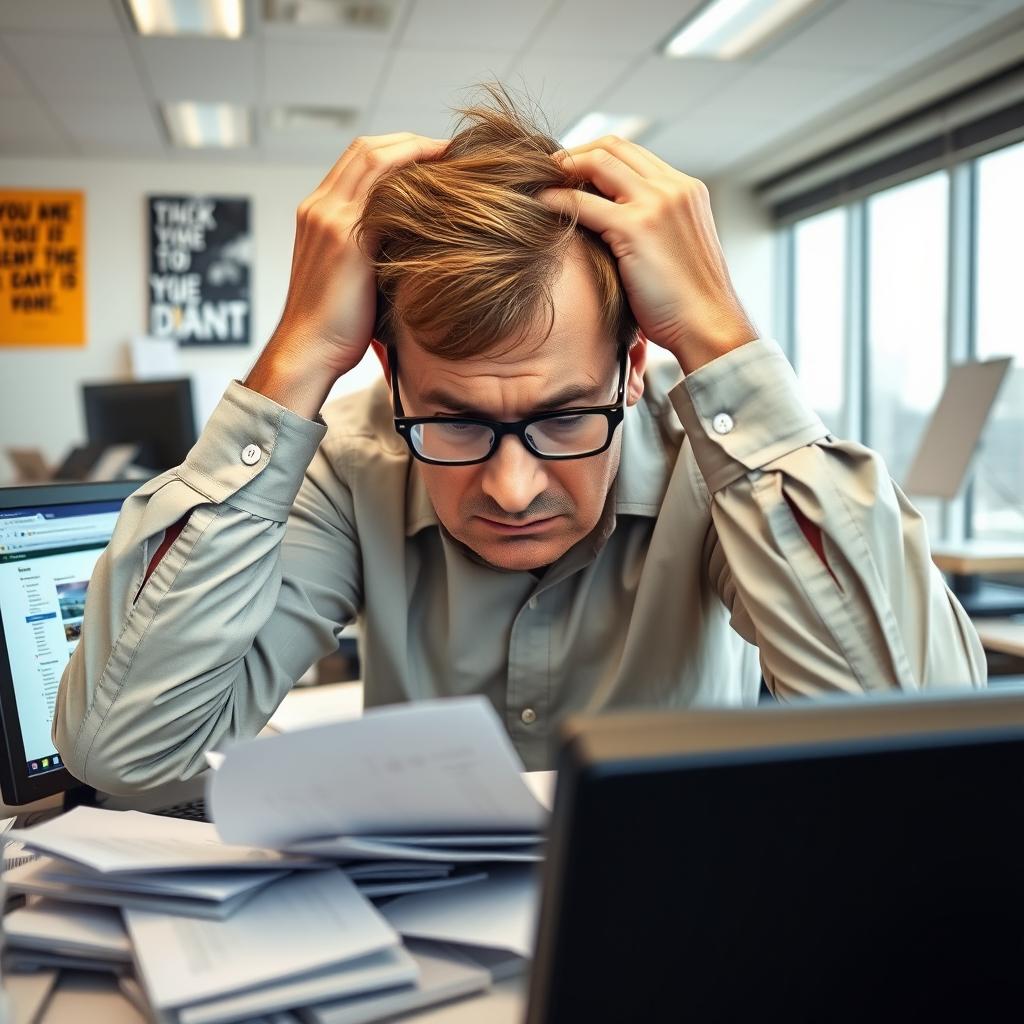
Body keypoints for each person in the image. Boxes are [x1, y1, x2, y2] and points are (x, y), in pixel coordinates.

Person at [54, 88, 985, 793]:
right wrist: (296, 356)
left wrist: (722, 339)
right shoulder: (350, 458)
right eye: (454, 419)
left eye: (565, 418)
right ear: (388, 369)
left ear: (633, 369)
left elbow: (929, 741)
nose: (510, 488)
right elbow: (131, 757)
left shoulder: (723, 466)